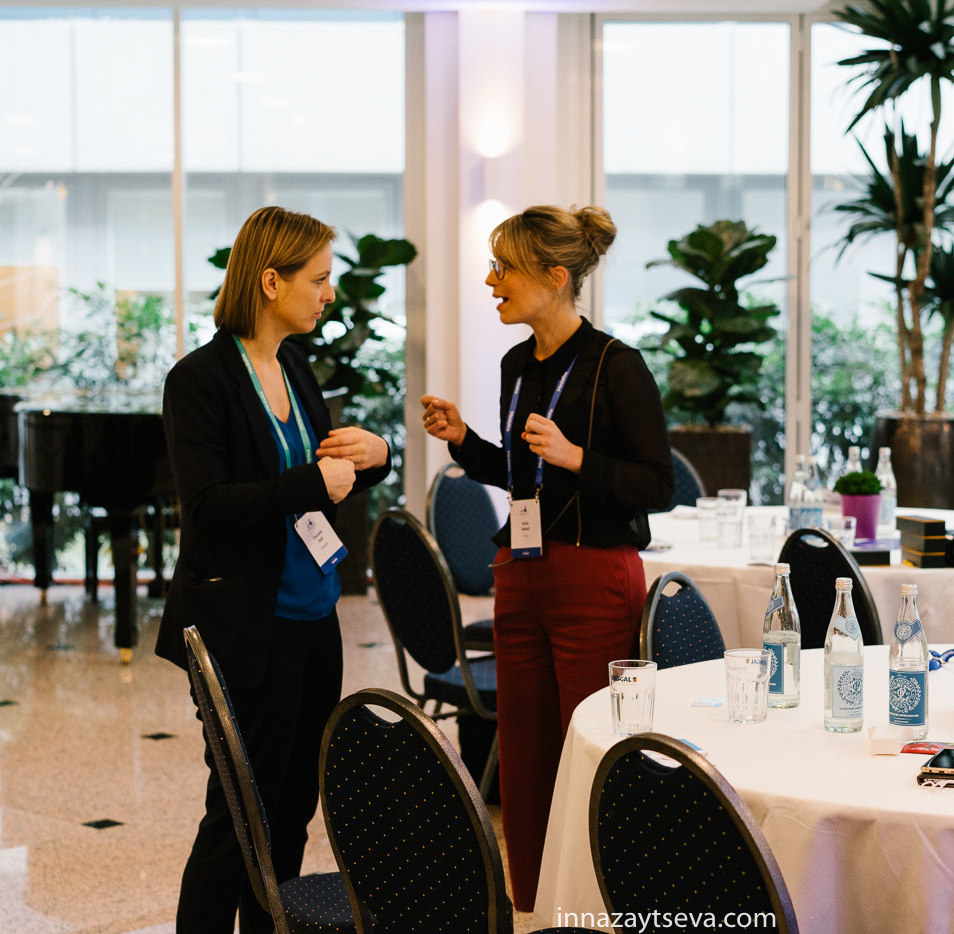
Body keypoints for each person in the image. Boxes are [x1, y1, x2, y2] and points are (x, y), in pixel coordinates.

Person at [421, 204, 672, 910]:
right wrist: (465, 440)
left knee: (589, 747)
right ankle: (532, 904)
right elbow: (521, 473)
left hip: (593, 574)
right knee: (525, 758)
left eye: (505, 268)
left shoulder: (615, 367)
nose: (491, 280)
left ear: (555, 276)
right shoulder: (514, 364)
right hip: (521, 572)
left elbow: (656, 483)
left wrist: (577, 457)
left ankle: (596, 904)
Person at [156, 205, 391, 933]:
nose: (329, 294)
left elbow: (322, 476)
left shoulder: (293, 366)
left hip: (313, 620)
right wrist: (313, 483)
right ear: (269, 280)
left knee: (290, 812)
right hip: (242, 628)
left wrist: (374, 459)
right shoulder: (200, 380)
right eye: (318, 279)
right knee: (236, 820)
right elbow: (208, 508)